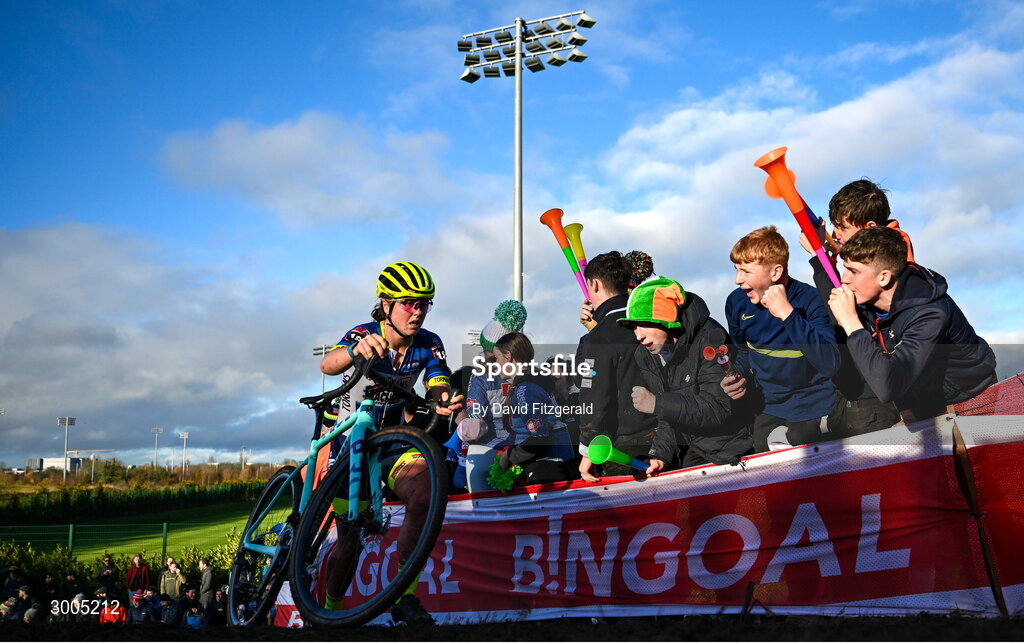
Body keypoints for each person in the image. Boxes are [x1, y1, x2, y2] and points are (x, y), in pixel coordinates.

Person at [317, 261, 464, 626]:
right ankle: (328, 613)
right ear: (386, 304)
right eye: (408, 303)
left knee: (427, 490)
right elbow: (328, 365)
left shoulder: (429, 342)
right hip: (353, 447)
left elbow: (438, 380)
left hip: (394, 443)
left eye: (425, 303)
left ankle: (404, 595)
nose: (417, 312)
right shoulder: (364, 332)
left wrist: (444, 397)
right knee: (348, 541)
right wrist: (355, 351)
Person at [827, 226, 997, 422]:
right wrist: (906, 408)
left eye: (853, 271)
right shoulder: (869, 303)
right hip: (927, 394)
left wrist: (852, 324)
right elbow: (889, 355)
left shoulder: (930, 314)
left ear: (884, 277)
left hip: (972, 397)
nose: (844, 280)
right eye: (845, 269)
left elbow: (887, 386)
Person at [722, 226, 841, 452]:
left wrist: (788, 314)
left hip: (816, 409)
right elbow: (745, 352)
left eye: (746, 272)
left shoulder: (810, 300)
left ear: (776, 272)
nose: (738, 280)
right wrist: (737, 376)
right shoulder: (736, 302)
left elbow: (830, 364)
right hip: (769, 409)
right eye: (736, 270)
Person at [618, 277, 753, 470]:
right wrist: (660, 456)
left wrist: (657, 403)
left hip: (729, 450)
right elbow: (667, 413)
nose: (639, 336)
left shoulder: (711, 338)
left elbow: (717, 408)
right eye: (633, 328)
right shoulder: (645, 354)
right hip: (690, 450)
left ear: (665, 318)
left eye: (644, 324)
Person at [575, 251, 659, 482]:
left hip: (623, 446)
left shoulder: (598, 338)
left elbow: (592, 395)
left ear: (595, 284)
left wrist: (587, 450)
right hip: (666, 437)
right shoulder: (653, 322)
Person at [462, 299, 528, 492]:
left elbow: (475, 428)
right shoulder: (533, 374)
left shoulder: (481, 377)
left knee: (483, 515)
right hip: (523, 454)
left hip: (486, 452)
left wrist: (460, 424)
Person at [492, 332, 575, 485]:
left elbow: (538, 438)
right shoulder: (528, 383)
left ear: (508, 356)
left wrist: (509, 456)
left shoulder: (526, 388)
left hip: (547, 468)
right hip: (546, 465)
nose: (495, 365)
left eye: (496, 358)